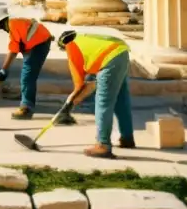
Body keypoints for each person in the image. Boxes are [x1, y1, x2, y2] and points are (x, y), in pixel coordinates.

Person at [57, 29, 134, 158]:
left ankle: (103, 145)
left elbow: (79, 86)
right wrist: (75, 99)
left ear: (63, 46)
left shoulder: (72, 47)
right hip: (121, 53)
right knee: (121, 99)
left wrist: (69, 104)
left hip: (110, 60)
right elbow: (92, 83)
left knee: (103, 102)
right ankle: (127, 138)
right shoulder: (84, 39)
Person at [0, 7, 53, 119]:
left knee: (27, 76)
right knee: (28, 75)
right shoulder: (14, 25)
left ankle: (27, 108)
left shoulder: (13, 25)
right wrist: (4, 69)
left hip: (40, 44)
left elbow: (13, 51)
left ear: (1, 22)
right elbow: (16, 47)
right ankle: (26, 98)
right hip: (39, 42)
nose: (0, 29)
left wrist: (3, 70)